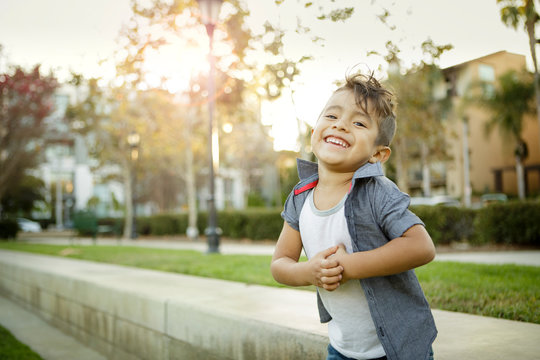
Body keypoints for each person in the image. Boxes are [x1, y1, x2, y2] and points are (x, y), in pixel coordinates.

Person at [271, 72, 437, 360]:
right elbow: (280, 263)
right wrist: (309, 271)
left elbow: (421, 247)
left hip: (399, 349)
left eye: (358, 122)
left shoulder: (377, 193)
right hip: (342, 349)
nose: (341, 125)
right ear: (314, 133)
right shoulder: (300, 197)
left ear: (377, 154)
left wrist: (350, 266)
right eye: (332, 116)